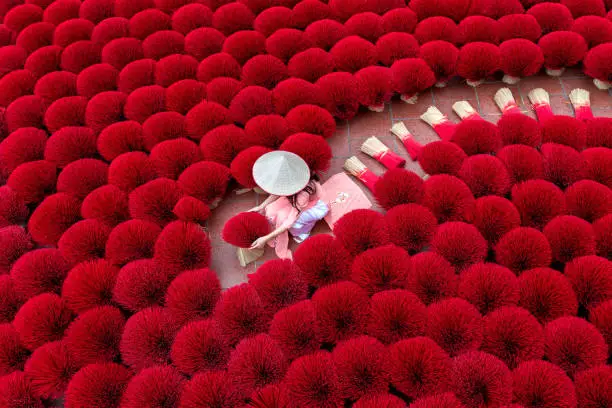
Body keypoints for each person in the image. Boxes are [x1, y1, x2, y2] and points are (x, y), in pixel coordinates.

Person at [247, 151, 329, 259]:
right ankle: (276, 227)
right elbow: (277, 192)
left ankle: (304, 231)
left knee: (284, 219)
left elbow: (288, 223)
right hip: (294, 197)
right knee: (270, 209)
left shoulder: (303, 196)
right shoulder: (290, 167)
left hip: (310, 205)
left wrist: (266, 238)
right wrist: (261, 206)